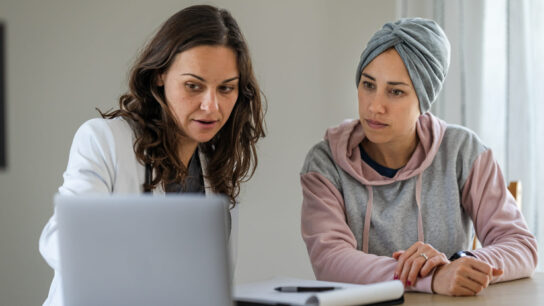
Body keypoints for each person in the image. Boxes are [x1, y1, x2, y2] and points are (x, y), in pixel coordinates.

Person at [39, 5, 265, 305]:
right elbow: (59, 241)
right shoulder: (104, 140)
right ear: (160, 75)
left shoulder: (215, 166)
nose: (212, 106)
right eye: (193, 86)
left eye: (226, 89)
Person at [300, 18, 537, 296]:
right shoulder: (325, 163)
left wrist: (461, 265)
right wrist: (431, 277)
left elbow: (520, 245)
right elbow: (330, 261)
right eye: (368, 84)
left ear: (424, 100)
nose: (375, 106)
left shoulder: (463, 151)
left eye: (396, 91)